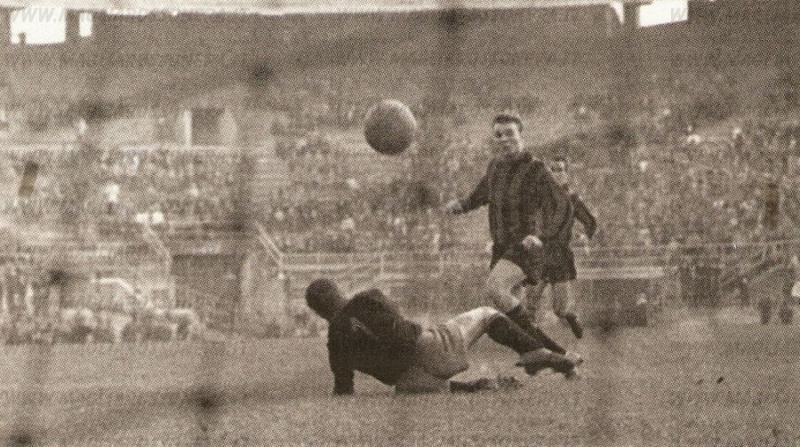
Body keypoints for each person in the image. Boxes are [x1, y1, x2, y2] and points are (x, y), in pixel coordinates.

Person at [305, 279, 582, 395]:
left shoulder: (334, 342)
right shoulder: (368, 298)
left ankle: (476, 386)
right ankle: (532, 351)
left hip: (409, 383)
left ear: (319, 312)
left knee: (432, 385)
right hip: (430, 349)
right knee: (486, 314)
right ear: (339, 292)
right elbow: (400, 331)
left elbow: (344, 388)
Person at [443, 111, 573, 356]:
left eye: (509, 133)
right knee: (514, 316)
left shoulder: (536, 169)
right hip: (501, 247)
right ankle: (556, 360)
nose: (504, 139)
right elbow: (481, 194)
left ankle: (553, 352)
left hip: (526, 246)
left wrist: (542, 237)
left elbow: (562, 205)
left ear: (521, 135)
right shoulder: (496, 166)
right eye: (498, 135)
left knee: (495, 288)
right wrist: (461, 205)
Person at [525, 156, 597, 339]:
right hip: (540, 252)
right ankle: (531, 340)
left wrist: (584, 236)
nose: (556, 174)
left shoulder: (572, 199)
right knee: (531, 300)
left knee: (560, 310)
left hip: (560, 255)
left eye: (560, 169)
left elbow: (590, 222)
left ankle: (571, 317)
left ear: (566, 174)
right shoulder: (540, 197)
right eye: (552, 170)